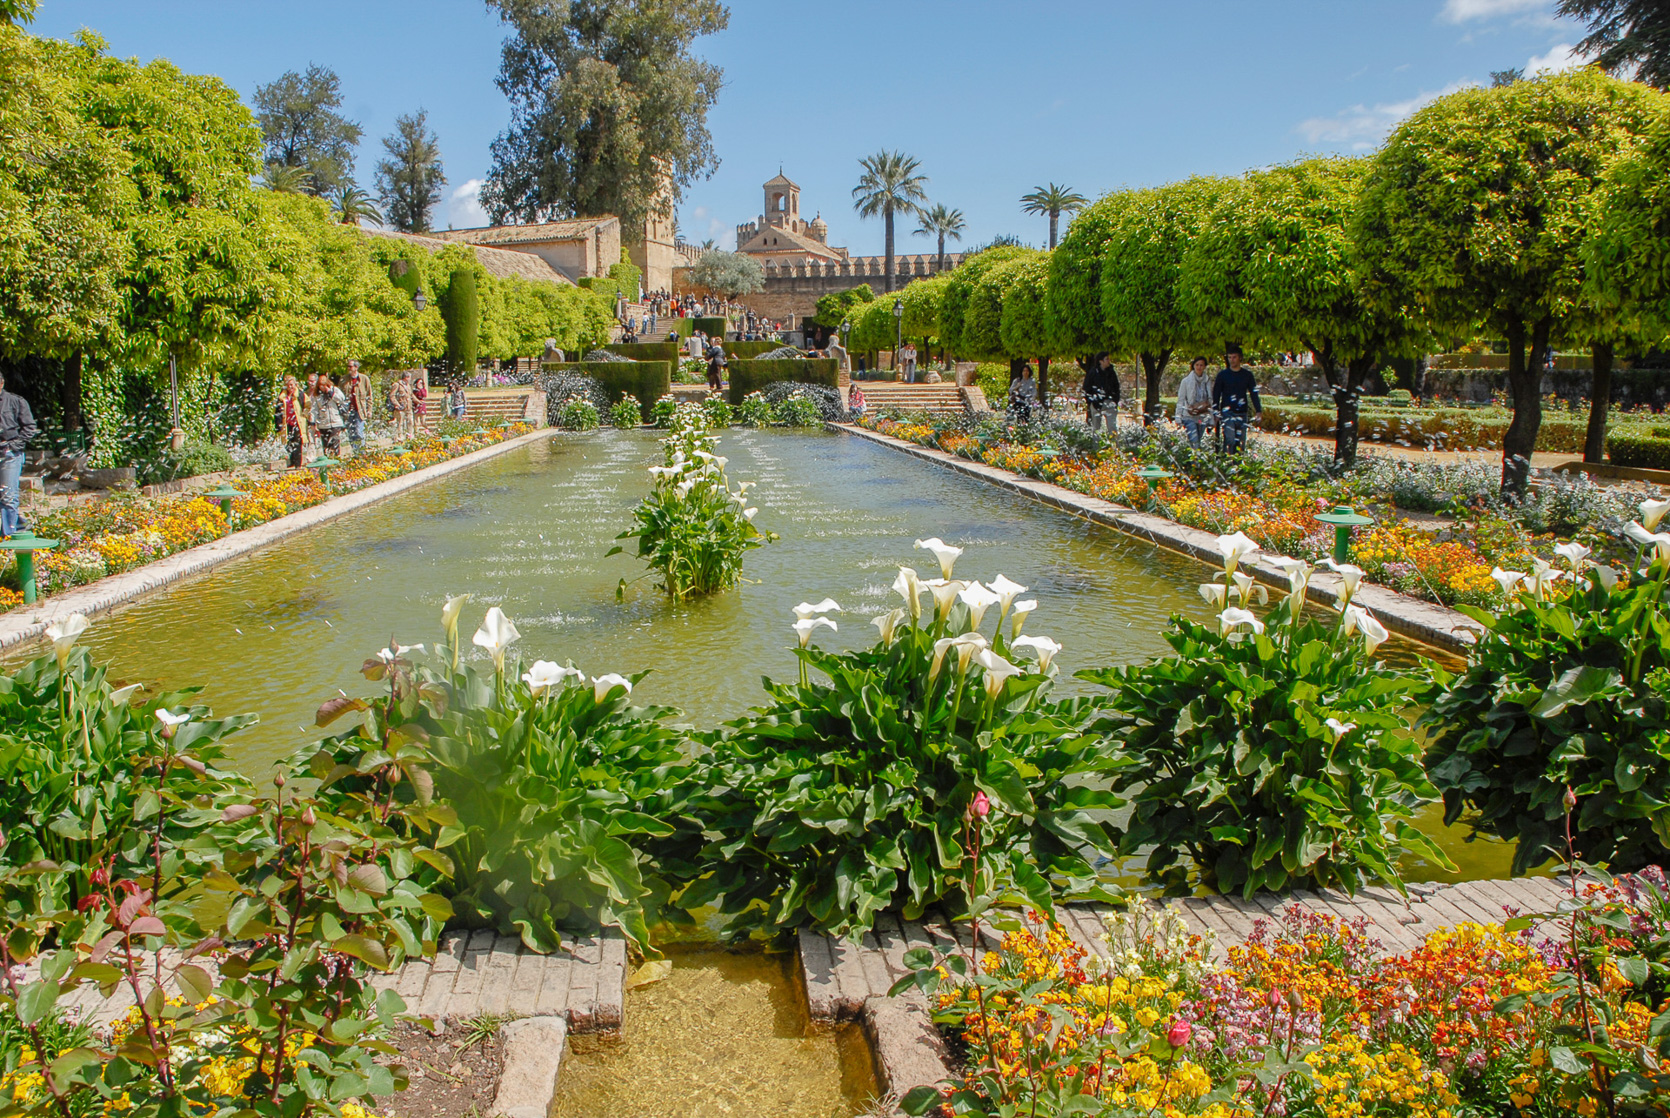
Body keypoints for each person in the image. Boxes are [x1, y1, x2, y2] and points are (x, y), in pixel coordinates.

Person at [0, 371, 38, 536]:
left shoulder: (16, 401)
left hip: (9, 453)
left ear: (1, 383)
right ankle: (19, 526)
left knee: (8, 495)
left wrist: (14, 445)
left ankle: (10, 535)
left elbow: (29, 427)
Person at [1211, 346, 1261, 454]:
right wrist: (1215, 412)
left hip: (1242, 412)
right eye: (1229, 357)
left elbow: (1254, 393)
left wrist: (1258, 410)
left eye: (1234, 357)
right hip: (1227, 412)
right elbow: (1216, 394)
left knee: (1240, 442)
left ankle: (1238, 466)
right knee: (1230, 439)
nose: (1231, 360)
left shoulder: (1247, 375)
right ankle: (1227, 463)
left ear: (1240, 358)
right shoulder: (1223, 375)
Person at [1174, 356, 1213, 448]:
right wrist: (1178, 417)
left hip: (1202, 415)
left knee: (1198, 441)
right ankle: (1195, 462)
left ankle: (1194, 460)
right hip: (1189, 415)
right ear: (1193, 366)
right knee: (1194, 441)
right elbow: (1181, 399)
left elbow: (1210, 400)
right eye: (1197, 365)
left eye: (1201, 365)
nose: (1199, 367)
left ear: (1204, 367)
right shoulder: (1186, 381)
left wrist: (1211, 418)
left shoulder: (1207, 381)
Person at [1083, 352, 1121, 435]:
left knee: (1112, 427)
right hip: (1096, 403)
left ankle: (1113, 447)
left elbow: (1116, 387)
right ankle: (1096, 447)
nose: (1109, 361)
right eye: (1107, 359)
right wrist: (1091, 401)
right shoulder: (1093, 373)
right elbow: (1086, 388)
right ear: (1101, 361)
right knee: (1096, 428)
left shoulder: (1111, 372)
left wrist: (1115, 400)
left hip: (1110, 402)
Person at [311, 372, 347, 457]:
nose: (323, 387)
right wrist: (312, 422)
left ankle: (336, 459)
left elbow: (341, 399)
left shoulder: (335, 390)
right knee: (326, 445)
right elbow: (314, 409)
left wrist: (331, 393)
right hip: (323, 424)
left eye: (324, 385)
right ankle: (328, 461)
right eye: (321, 385)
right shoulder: (317, 395)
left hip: (335, 422)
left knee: (334, 442)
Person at [344, 360, 372, 455]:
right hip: (348, 411)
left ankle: (362, 453)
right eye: (348, 366)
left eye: (350, 366)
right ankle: (356, 453)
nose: (348, 368)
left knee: (359, 432)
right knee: (351, 434)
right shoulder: (344, 380)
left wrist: (369, 410)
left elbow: (369, 396)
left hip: (360, 410)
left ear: (356, 367)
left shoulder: (364, 379)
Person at [280, 376, 307, 468]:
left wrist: (304, 415)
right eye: (288, 385)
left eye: (292, 385)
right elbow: (278, 409)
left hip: (298, 422)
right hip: (287, 422)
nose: (290, 387)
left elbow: (308, 405)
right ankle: (291, 461)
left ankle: (298, 463)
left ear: (295, 385)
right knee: (289, 442)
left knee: (298, 442)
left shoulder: (300, 394)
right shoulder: (283, 396)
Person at [389, 371, 414, 442]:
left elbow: (411, 395)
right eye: (409, 377)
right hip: (400, 407)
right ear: (406, 377)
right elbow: (392, 395)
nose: (410, 379)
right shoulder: (397, 385)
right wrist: (397, 404)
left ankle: (410, 435)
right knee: (400, 423)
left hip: (408, 407)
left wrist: (418, 401)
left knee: (410, 421)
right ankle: (399, 437)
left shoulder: (408, 385)